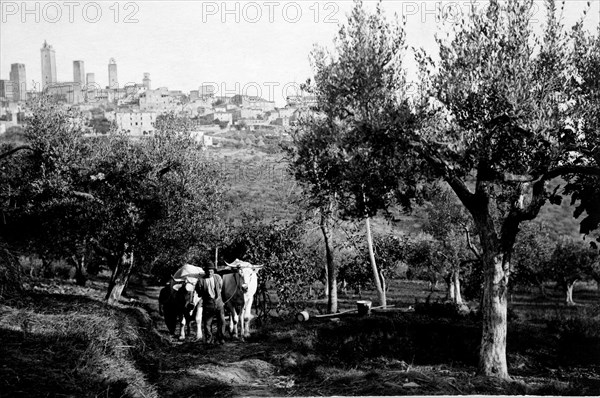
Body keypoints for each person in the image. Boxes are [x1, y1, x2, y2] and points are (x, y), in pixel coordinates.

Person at [195, 261, 226, 344]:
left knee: (222, 321)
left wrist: (220, 299)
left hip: (219, 303)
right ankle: (209, 338)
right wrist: (204, 295)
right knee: (207, 323)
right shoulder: (201, 281)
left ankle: (221, 337)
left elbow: (221, 288)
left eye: (211, 271)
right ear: (205, 271)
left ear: (214, 271)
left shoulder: (218, 278)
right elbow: (198, 292)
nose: (210, 272)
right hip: (208, 303)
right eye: (208, 271)